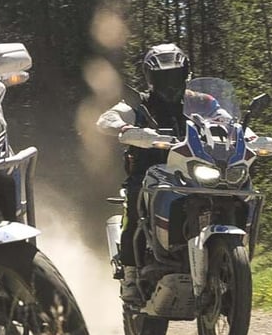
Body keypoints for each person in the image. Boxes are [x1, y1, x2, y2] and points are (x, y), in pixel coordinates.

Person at [95, 43, 223, 306]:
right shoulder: (139, 103)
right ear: (151, 78)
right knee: (134, 204)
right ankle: (130, 274)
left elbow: (224, 118)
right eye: (163, 77)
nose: (170, 83)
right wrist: (127, 129)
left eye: (175, 75)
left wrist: (242, 133)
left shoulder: (201, 101)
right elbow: (107, 119)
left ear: (185, 74)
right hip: (149, 172)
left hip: (192, 169)